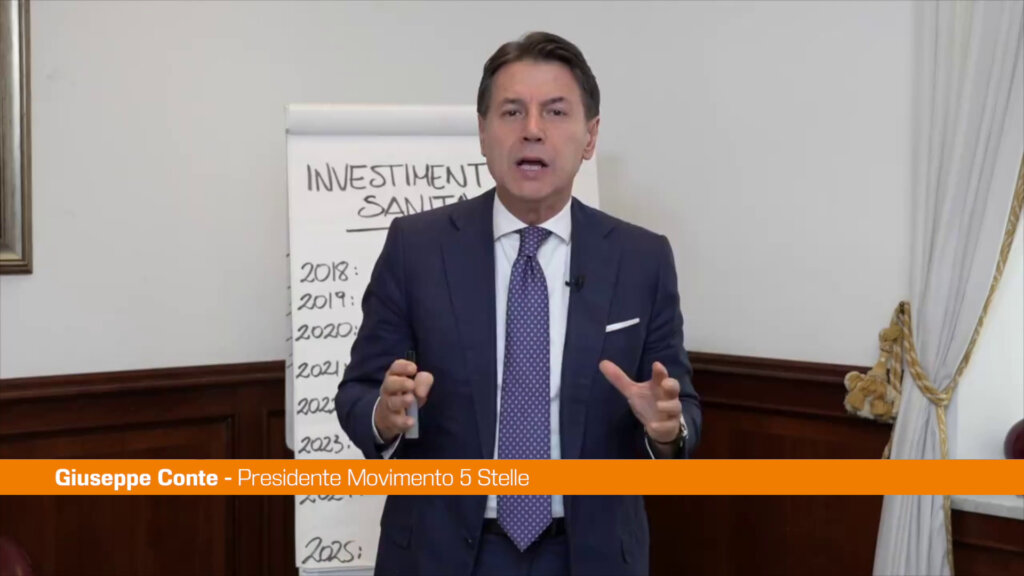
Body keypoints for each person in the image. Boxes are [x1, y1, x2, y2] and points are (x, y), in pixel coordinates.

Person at [336, 31, 701, 576]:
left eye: (555, 111)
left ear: (590, 136)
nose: (532, 130)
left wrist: (665, 430)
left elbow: (680, 408)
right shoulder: (417, 248)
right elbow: (358, 393)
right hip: (443, 553)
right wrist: (384, 416)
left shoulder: (641, 258)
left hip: (589, 554)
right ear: (483, 133)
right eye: (511, 112)